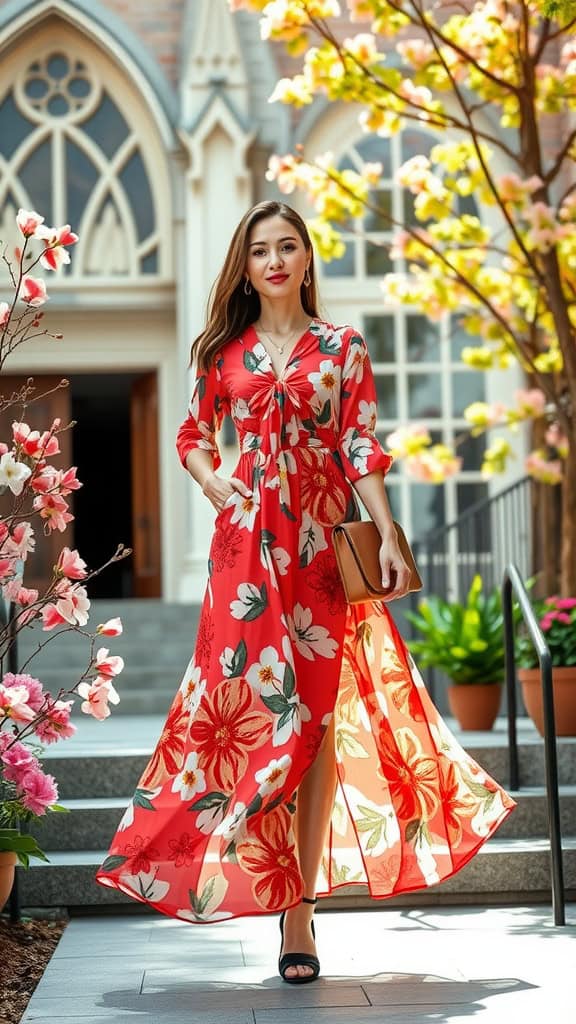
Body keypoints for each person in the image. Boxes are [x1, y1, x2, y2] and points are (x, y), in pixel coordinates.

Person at [96, 200, 515, 984]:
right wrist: (215, 482)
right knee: (245, 710)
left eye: (289, 246)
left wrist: (385, 531)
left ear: (307, 258)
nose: (277, 260)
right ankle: (235, 854)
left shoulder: (343, 348)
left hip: (322, 548)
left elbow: (360, 442)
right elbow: (192, 436)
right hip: (246, 557)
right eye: (261, 250)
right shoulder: (223, 351)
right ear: (246, 267)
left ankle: (300, 908)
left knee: (316, 722)